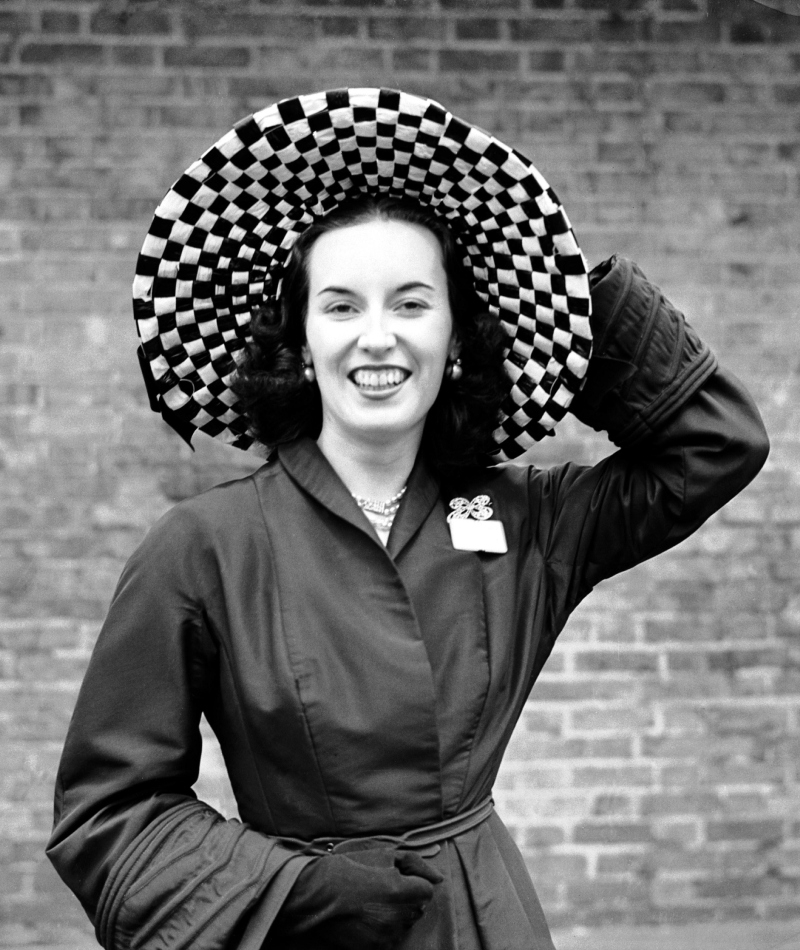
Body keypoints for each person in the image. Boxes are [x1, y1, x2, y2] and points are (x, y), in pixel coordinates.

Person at [46, 89, 769, 950]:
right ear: (303, 343)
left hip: (487, 922)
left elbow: (717, 444)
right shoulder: (200, 548)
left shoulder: (529, 520)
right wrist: (287, 887)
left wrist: (574, 290)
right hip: (299, 933)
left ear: (456, 338)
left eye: (413, 303)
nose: (377, 337)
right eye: (342, 306)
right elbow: (107, 809)